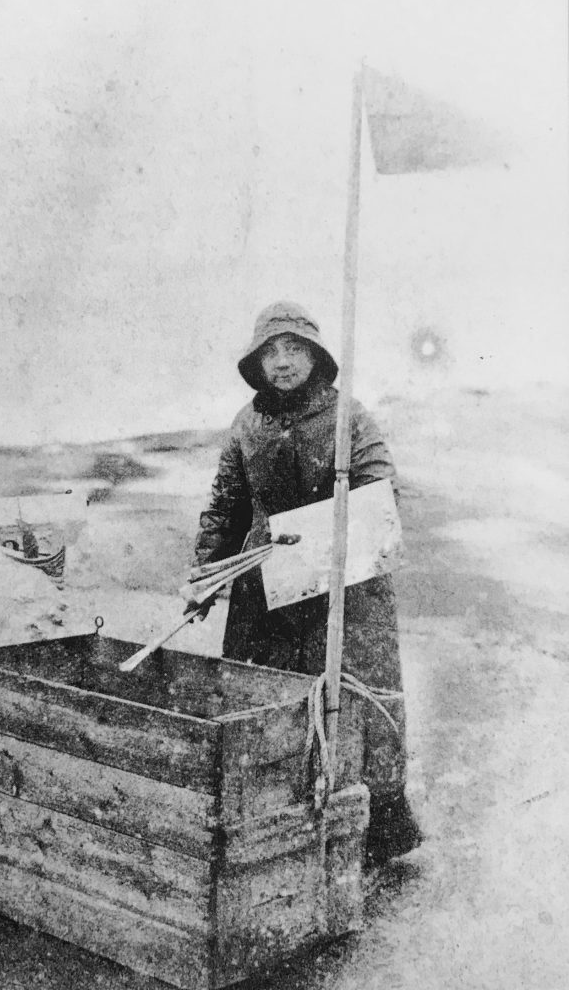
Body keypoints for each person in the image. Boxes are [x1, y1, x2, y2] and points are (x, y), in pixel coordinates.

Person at [192, 301, 422, 867]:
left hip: (344, 589)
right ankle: (279, 838)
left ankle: (378, 837)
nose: (283, 362)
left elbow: (383, 498)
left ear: (315, 356)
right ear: (256, 362)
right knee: (264, 705)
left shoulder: (350, 418)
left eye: (294, 349)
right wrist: (206, 574)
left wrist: (320, 538)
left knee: (358, 707)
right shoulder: (247, 425)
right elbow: (226, 506)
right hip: (267, 595)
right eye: (271, 352)